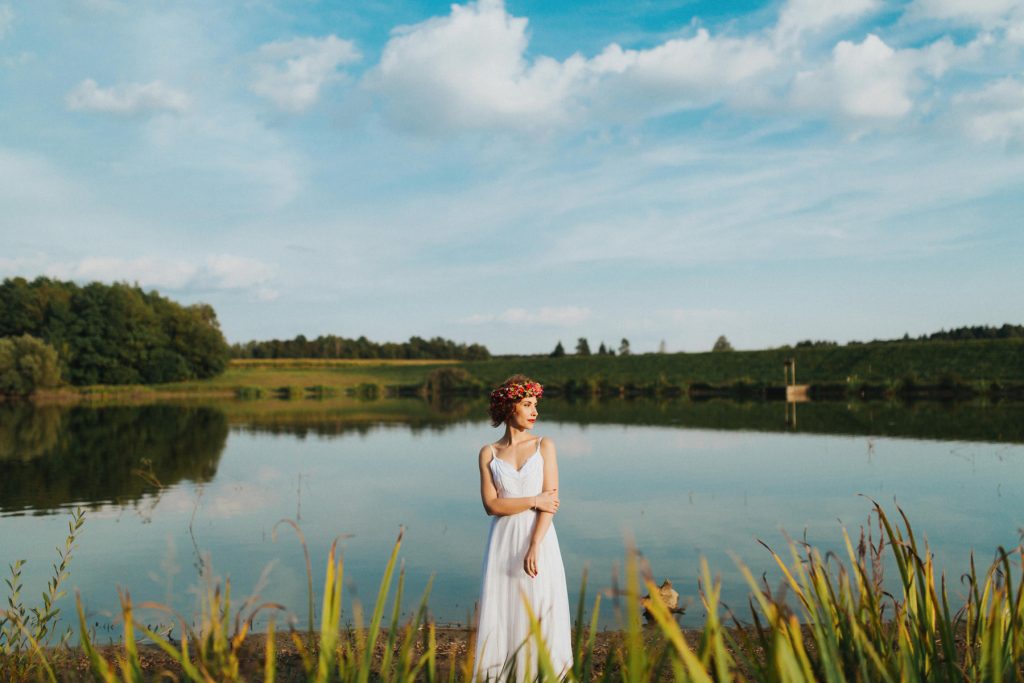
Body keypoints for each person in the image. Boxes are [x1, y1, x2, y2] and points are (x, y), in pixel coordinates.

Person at [474, 375, 573, 681]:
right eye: (527, 404)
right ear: (508, 408)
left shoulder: (545, 445)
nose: (535, 412)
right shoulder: (488, 453)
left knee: (539, 607)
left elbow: (551, 503)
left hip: (538, 540)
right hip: (502, 542)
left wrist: (534, 545)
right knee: (503, 611)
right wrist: (534, 499)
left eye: (535, 405)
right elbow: (492, 505)